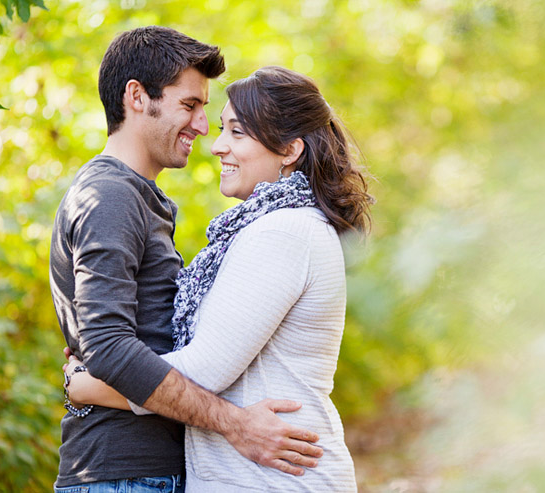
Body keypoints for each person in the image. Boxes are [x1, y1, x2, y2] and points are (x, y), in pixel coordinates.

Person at [64, 66, 373, 491]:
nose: (218, 145)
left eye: (237, 132)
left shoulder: (284, 232)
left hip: (276, 477)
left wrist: (87, 384)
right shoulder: (267, 229)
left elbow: (202, 370)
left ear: (289, 150)